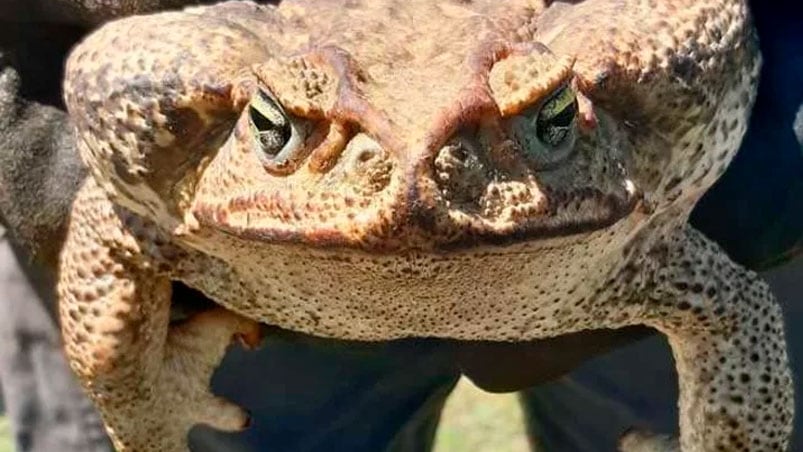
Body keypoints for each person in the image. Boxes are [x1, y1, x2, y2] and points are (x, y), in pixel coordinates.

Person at [0, 1, 801, 451]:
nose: (409, 191)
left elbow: (731, 310)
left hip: (612, 216)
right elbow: (111, 230)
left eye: (553, 117)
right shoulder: (186, 208)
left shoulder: (650, 250)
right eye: (280, 129)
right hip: (257, 271)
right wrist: (146, 407)